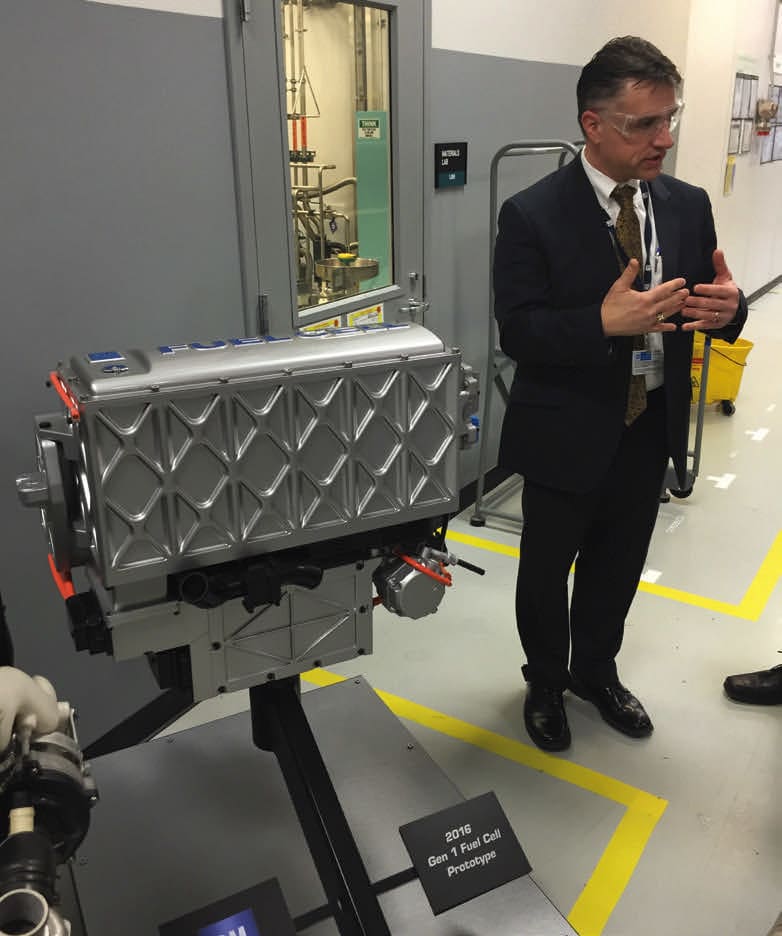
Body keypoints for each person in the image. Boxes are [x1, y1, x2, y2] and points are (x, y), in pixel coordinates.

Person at [493, 36, 748, 751]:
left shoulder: (687, 205)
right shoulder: (532, 214)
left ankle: (595, 673)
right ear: (593, 124)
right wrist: (600, 323)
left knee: (618, 565)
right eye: (645, 124)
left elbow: (714, 300)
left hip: (648, 425)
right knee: (546, 572)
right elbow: (519, 330)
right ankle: (546, 681)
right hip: (565, 430)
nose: (664, 138)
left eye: (670, 119)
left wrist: (731, 312)